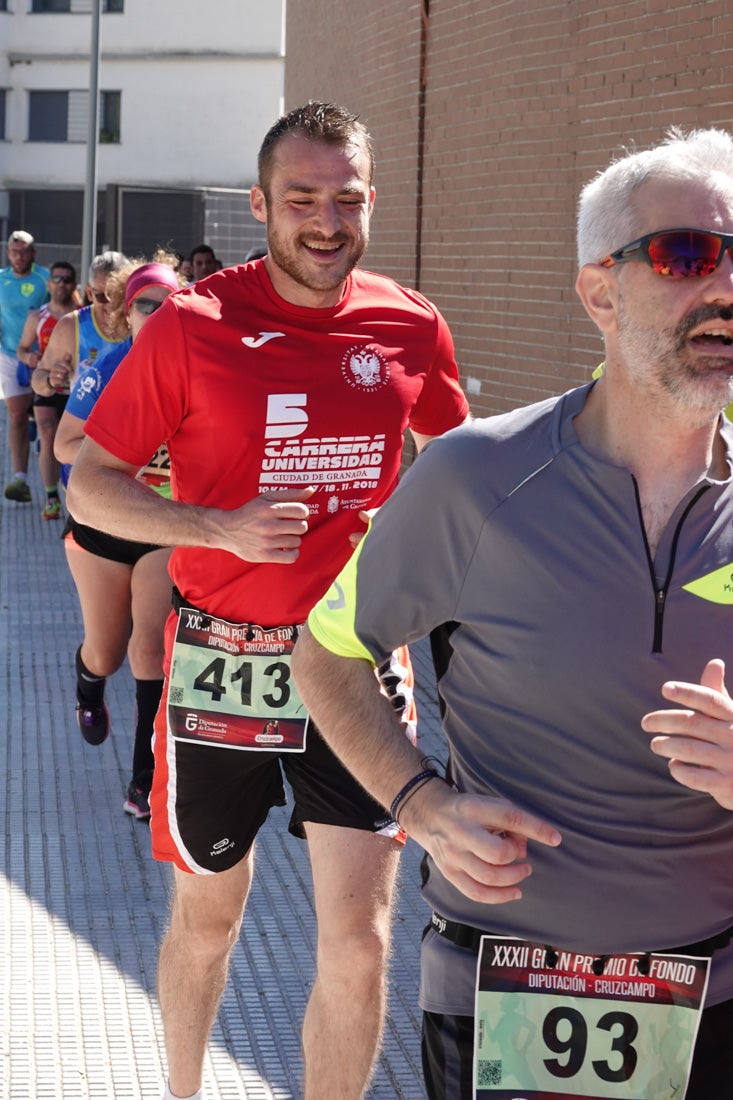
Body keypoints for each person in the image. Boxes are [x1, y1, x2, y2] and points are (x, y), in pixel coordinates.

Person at [291, 126, 733, 1100]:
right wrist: (417, 801)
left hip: (716, 989)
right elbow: (324, 651)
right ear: (598, 292)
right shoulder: (475, 475)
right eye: (687, 254)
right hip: (504, 983)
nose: (724, 288)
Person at [66, 101, 469, 1100]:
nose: (326, 222)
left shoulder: (408, 323)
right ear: (260, 205)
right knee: (208, 921)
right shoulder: (194, 326)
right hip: (220, 656)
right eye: (302, 200)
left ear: (370, 202)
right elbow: (90, 478)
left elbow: (461, 465)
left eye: (347, 199)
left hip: (354, 660)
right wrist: (217, 526)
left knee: (362, 940)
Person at [55, 259, 183, 820]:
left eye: (168, 304)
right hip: (101, 528)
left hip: (163, 528)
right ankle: (88, 685)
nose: (157, 315)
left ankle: (143, 782)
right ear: (125, 313)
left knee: (150, 648)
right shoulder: (104, 368)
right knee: (106, 653)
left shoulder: (198, 371)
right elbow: (62, 446)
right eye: (145, 305)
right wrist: (115, 461)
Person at [33, 251, 128, 492]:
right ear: (88, 292)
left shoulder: (141, 324)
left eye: (117, 296)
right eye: (100, 296)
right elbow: (38, 380)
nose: (110, 304)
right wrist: (52, 380)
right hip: (84, 446)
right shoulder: (71, 326)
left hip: (131, 443)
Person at [16, 261, 79, 518]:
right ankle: (51, 497)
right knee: (48, 433)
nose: (61, 284)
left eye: (66, 279)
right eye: (57, 279)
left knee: (73, 442)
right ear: (48, 283)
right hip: (45, 384)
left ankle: (75, 496)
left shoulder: (83, 315)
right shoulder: (37, 317)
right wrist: (29, 358)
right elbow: (21, 348)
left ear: (74, 285)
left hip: (76, 387)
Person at [0, 230, 50, 502]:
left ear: (33, 253)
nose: (19, 256)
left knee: (46, 420)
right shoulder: (0, 280)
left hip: (43, 358)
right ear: (8, 253)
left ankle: (52, 486)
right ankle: (20, 480)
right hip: (10, 356)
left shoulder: (46, 278)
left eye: (24, 251)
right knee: (16, 416)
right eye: (14, 251)